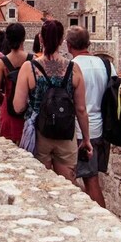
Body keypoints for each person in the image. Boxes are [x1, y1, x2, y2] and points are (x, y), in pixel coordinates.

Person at [13, 20, 92, 182]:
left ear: (40, 39)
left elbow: (18, 106)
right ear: (62, 40)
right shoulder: (73, 68)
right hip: (66, 133)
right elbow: (81, 109)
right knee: (67, 186)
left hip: (39, 133)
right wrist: (86, 139)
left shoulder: (29, 67)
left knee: (40, 183)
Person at [65, 26, 109, 207]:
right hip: (101, 129)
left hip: (80, 132)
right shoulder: (107, 65)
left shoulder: (72, 67)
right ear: (89, 43)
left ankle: (102, 223)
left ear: (68, 46)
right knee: (92, 178)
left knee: (85, 180)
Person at [0, 23, 29, 144]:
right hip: (27, 110)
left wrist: (3, 98)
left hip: (8, 108)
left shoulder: (2, 63)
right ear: (23, 38)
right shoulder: (32, 60)